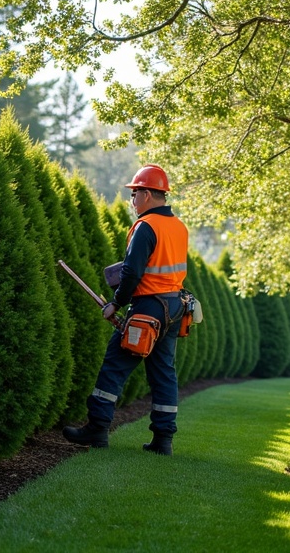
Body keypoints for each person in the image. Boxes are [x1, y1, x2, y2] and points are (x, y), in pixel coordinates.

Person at [63, 164, 189, 456]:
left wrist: (116, 303)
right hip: (174, 306)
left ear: (146, 194)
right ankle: (163, 439)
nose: (132, 202)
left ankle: (96, 429)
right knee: (164, 373)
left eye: (134, 195)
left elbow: (132, 273)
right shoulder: (178, 227)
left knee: (115, 365)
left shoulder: (146, 226)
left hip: (147, 308)